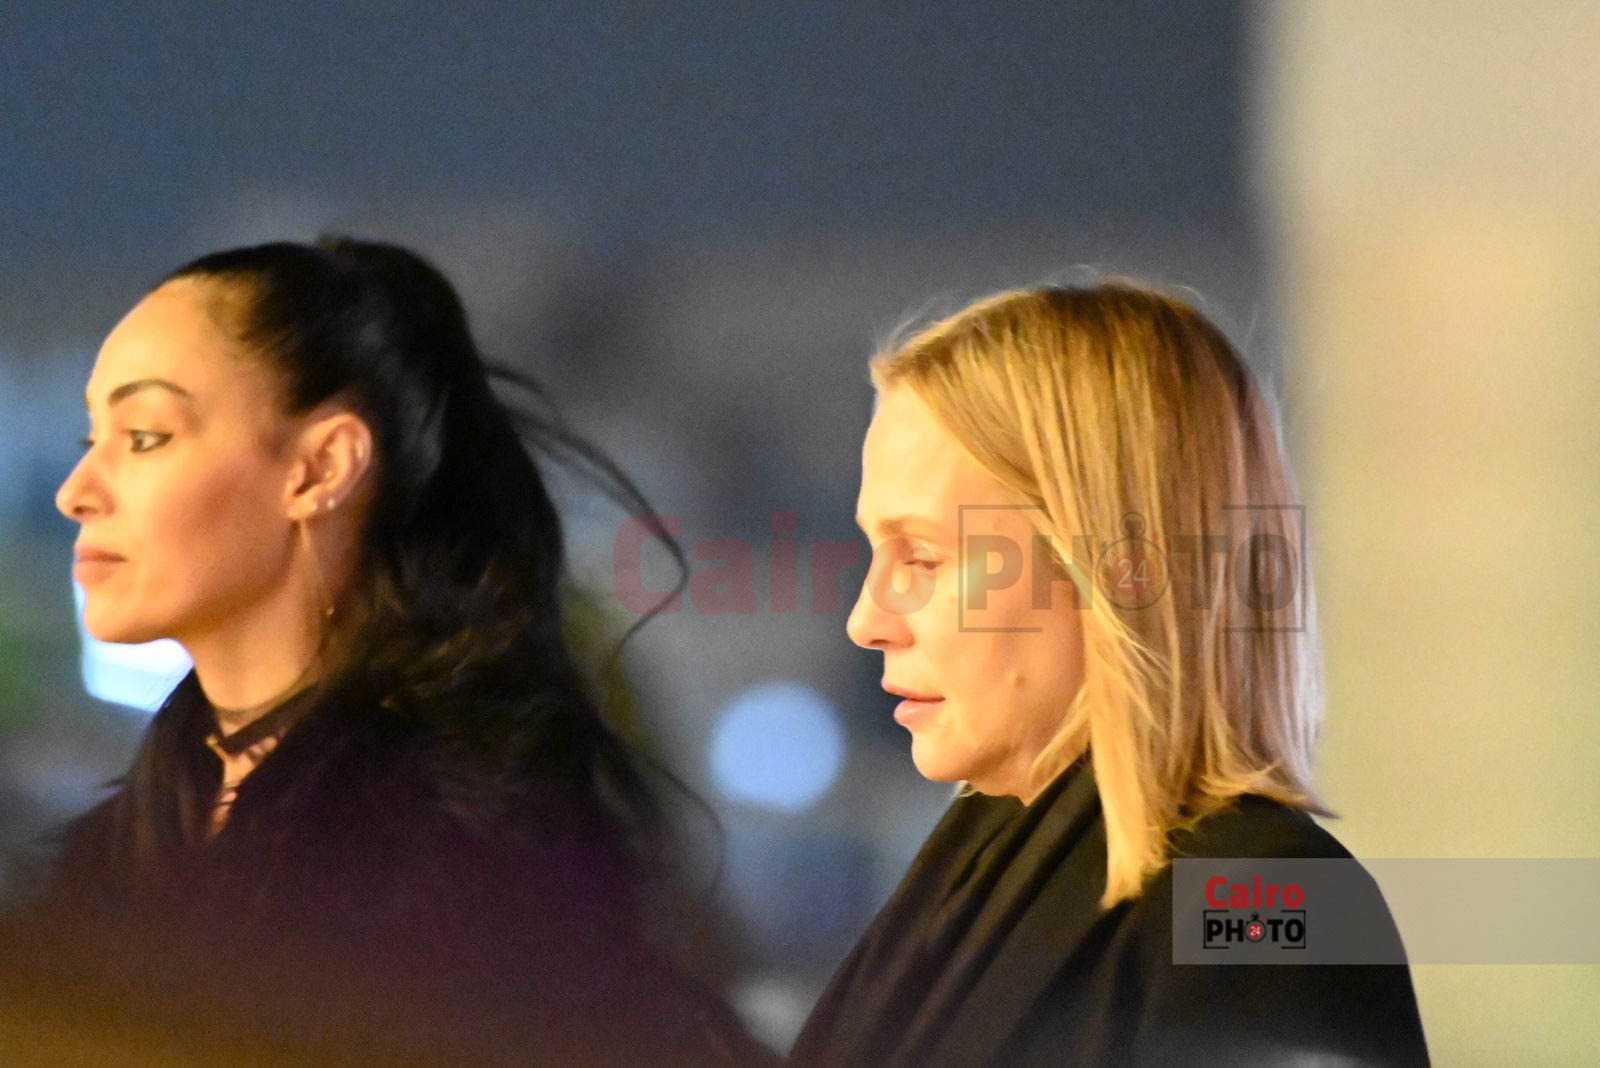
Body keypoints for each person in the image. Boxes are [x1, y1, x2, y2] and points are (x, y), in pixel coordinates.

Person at [1, 238, 765, 1065]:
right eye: (90, 438)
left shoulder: (449, 877)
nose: (78, 491)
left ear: (321, 468)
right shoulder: (135, 839)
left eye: (146, 435)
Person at [791, 283, 1429, 1066]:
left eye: (922, 558)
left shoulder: (1266, 897)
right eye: (875, 552)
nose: (866, 619)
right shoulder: (981, 870)